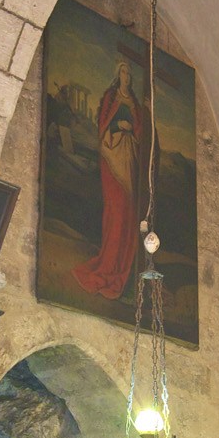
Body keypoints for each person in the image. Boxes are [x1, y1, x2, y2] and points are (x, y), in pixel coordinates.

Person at [72, 54, 152, 300]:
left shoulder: (136, 106)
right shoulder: (110, 98)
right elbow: (103, 126)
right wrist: (120, 127)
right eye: (124, 72)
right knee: (116, 211)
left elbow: (142, 135)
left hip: (130, 159)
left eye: (129, 73)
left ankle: (122, 270)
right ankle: (107, 265)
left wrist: (140, 122)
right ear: (118, 76)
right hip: (113, 154)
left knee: (129, 216)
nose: (127, 77)